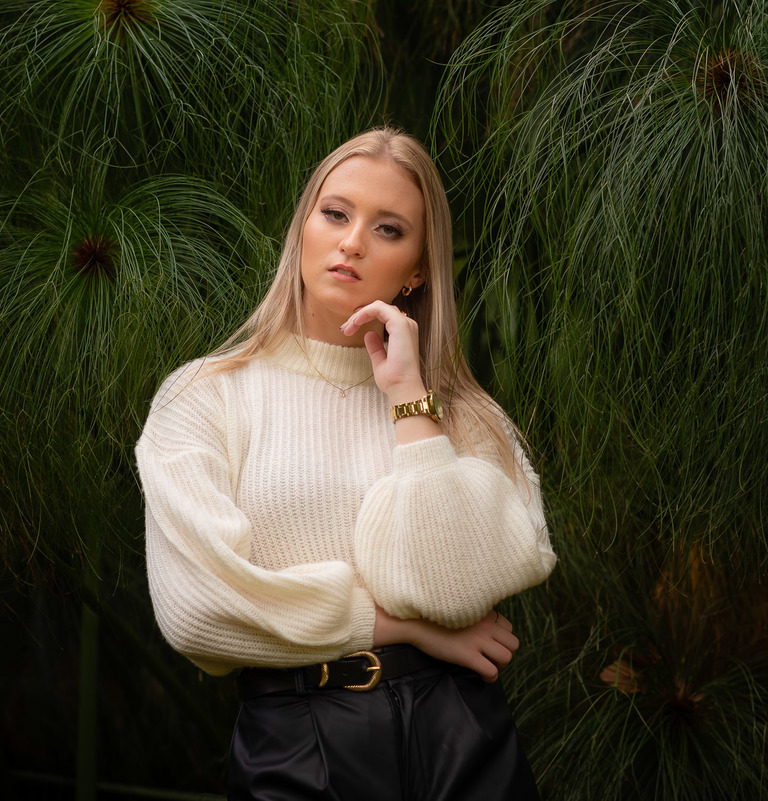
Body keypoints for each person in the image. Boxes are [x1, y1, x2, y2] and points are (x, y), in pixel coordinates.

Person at [135, 127, 556, 800]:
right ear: (303, 227)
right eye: (335, 213)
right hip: (296, 741)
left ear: (417, 267)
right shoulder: (205, 396)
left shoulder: (464, 413)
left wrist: (411, 404)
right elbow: (200, 611)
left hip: (461, 738)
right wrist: (409, 627)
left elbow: (457, 584)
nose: (352, 241)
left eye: (388, 229)